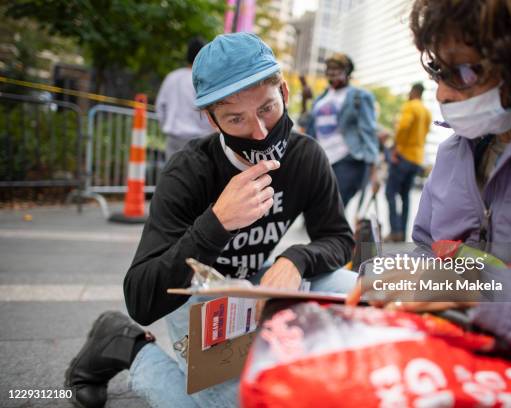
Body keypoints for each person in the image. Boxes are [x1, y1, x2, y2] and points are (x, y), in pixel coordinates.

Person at [65, 32, 357, 408]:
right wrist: (217, 222)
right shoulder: (189, 172)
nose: (260, 132)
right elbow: (141, 297)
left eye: (267, 108)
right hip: (196, 292)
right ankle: (126, 346)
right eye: (236, 118)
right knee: (233, 401)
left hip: (256, 283)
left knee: (353, 291)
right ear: (211, 120)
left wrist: (295, 259)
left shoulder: (305, 157)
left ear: (284, 93)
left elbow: (338, 238)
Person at [348, 0, 511, 388]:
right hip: (443, 369)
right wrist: (383, 271)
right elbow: (428, 250)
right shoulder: (453, 153)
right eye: (437, 70)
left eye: (464, 73)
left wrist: (482, 293)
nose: (442, 93)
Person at [304, 53, 379, 207]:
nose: (332, 72)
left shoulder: (360, 96)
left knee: (333, 208)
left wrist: (373, 168)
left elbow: (368, 131)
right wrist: (305, 101)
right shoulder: (321, 98)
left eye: (337, 69)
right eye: (329, 69)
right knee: (317, 208)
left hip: (347, 160)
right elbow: (305, 123)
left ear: (347, 72)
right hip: (322, 160)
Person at [384, 83, 431, 242]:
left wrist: (396, 148)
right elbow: (425, 133)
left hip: (403, 156)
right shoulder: (426, 111)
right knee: (405, 197)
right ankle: (402, 233)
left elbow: (403, 127)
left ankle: (395, 231)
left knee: (390, 193)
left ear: (413, 92)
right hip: (417, 159)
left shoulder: (410, 106)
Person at [156, 37, 215, 159]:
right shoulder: (205, 80)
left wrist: (166, 126)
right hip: (200, 140)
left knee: (173, 175)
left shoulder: (172, 77)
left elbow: (160, 108)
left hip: (174, 138)